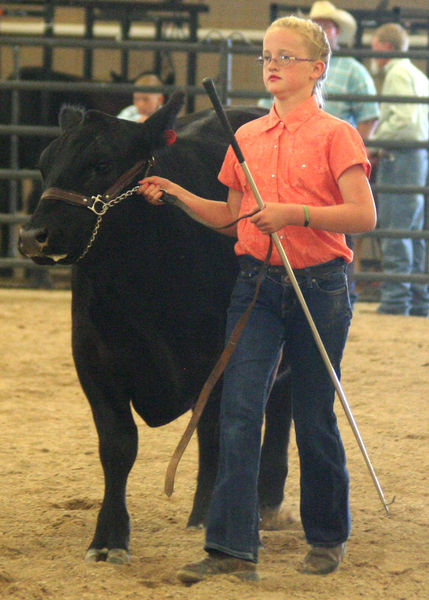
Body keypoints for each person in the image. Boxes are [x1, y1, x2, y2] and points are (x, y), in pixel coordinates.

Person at [139, 15, 376, 582]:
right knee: (240, 411)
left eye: (285, 57)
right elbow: (231, 217)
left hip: (319, 287)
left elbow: (363, 216)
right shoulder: (244, 137)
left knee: (312, 411)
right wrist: (177, 194)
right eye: (267, 56)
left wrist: (296, 214)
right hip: (256, 286)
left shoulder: (337, 134)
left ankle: (326, 534)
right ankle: (230, 547)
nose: (272, 64)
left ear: (317, 69)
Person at [370, 23, 429, 316]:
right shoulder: (416, 73)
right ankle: (417, 299)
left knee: (396, 228)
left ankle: (396, 299)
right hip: (417, 157)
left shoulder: (396, 74)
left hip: (402, 156)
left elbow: (405, 123)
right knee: (413, 230)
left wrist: (373, 142)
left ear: (384, 47)